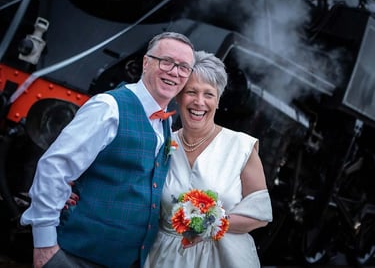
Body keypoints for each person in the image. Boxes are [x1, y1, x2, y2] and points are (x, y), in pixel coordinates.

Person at [20, 31, 195, 268]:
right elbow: (54, 168)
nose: (174, 72)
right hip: (75, 256)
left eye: (184, 67)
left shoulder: (164, 122)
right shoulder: (108, 107)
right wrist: (45, 245)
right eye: (166, 62)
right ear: (146, 62)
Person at [143, 50, 273, 268]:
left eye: (209, 94)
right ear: (178, 96)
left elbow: (259, 216)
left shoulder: (241, 147)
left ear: (218, 100)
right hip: (163, 258)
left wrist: (210, 224)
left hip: (222, 260)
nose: (199, 102)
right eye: (191, 92)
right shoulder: (162, 143)